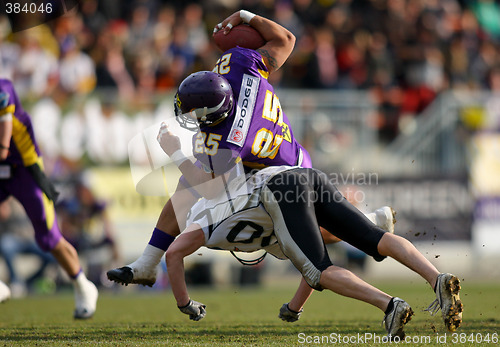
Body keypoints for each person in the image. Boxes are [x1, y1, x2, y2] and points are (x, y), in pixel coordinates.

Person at [106, 9, 393, 287]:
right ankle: (147, 262)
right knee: (188, 190)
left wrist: (175, 152)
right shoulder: (240, 63)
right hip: (269, 157)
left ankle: (367, 223)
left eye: (194, 113)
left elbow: (209, 188)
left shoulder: (230, 137)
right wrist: (246, 15)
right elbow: (287, 40)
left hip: (284, 170)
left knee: (294, 234)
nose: (191, 118)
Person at [156, 125, 462, 338]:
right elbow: (312, 259)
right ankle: (437, 278)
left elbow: (173, 253)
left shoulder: (201, 219)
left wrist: (185, 304)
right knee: (372, 238)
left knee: (320, 269)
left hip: (278, 192)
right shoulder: (219, 201)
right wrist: (294, 307)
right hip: (303, 176)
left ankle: (389, 304)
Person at [0, 79, 98, 319]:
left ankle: (82, 285)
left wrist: (2, 149)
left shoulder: (4, 87)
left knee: (48, 237)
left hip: (23, 167)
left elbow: (4, 132)